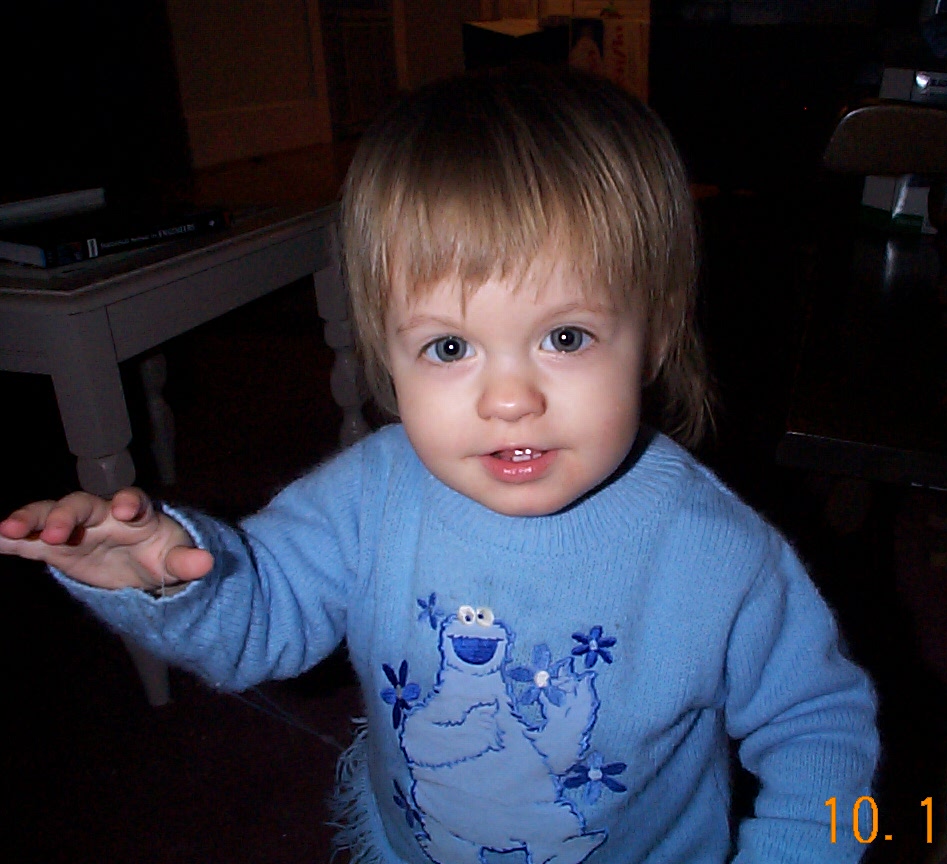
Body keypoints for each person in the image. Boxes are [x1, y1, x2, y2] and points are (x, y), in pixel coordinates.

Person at [0, 66, 878, 864]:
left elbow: (821, 724)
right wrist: (167, 578)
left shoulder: (714, 550)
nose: (509, 399)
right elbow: (264, 613)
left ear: (653, 337)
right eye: (450, 346)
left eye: (566, 337)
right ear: (387, 355)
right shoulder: (369, 495)